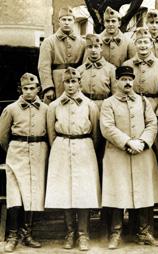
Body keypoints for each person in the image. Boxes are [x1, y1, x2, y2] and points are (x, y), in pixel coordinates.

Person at [100, 66, 158, 249]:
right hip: (118, 154)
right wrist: (128, 142)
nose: (127, 82)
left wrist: (143, 142)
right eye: (123, 79)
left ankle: (144, 233)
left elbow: (152, 123)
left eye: (130, 79)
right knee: (118, 193)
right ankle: (116, 233)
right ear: (117, 81)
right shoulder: (108, 103)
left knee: (143, 193)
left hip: (142, 153)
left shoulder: (143, 102)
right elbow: (107, 127)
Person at [44, 67, 101, 251]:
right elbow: (51, 134)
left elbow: (95, 134)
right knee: (64, 191)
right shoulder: (54, 106)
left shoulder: (90, 105)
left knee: (83, 191)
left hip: (84, 147)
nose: (70, 85)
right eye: (67, 82)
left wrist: (85, 145)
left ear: (79, 83)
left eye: (73, 81)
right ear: (63, 83)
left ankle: (84, 234)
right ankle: (70, 233)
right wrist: (61, 146)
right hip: (61, 147)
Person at [0, 73, 47, 252]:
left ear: (38, 89)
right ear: (21, 89)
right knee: (15, 194)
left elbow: (49, 133)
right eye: (25, 89)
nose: (28, 92)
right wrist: (15, 149)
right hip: (17, 152)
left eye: (32, 88)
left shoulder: (45, 109)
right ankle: (12, 235)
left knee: (33, 193)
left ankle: (26, 234)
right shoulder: (11, 109)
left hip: (38, 152)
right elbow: (2, 136)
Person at [38, 6, 85, 104]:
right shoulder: (49, 42)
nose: (66, 22)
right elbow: (44, 66)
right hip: (57, 82)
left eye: (69, 19)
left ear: (73, 21)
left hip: (76, 82)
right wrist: (48, 87)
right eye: (64, 19)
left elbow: (85, 66)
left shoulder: (82, 42)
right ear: (59, 21)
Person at [123, 27, 158, 118]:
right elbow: (122, 90)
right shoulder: (127, 64)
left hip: (153, 107)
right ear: (135, 44)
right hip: (132, 107)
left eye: (146, 42)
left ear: (151, 44)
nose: (142, 45)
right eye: (139, 42)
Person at [77, 34, 116, 109]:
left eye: (96, 46)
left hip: (104, 106)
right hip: (84, 106)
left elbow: (115, 93)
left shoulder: (111, 69)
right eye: (90, 47)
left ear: (101, 48)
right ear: (86, 49)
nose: (93, 50)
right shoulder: (80, 70)